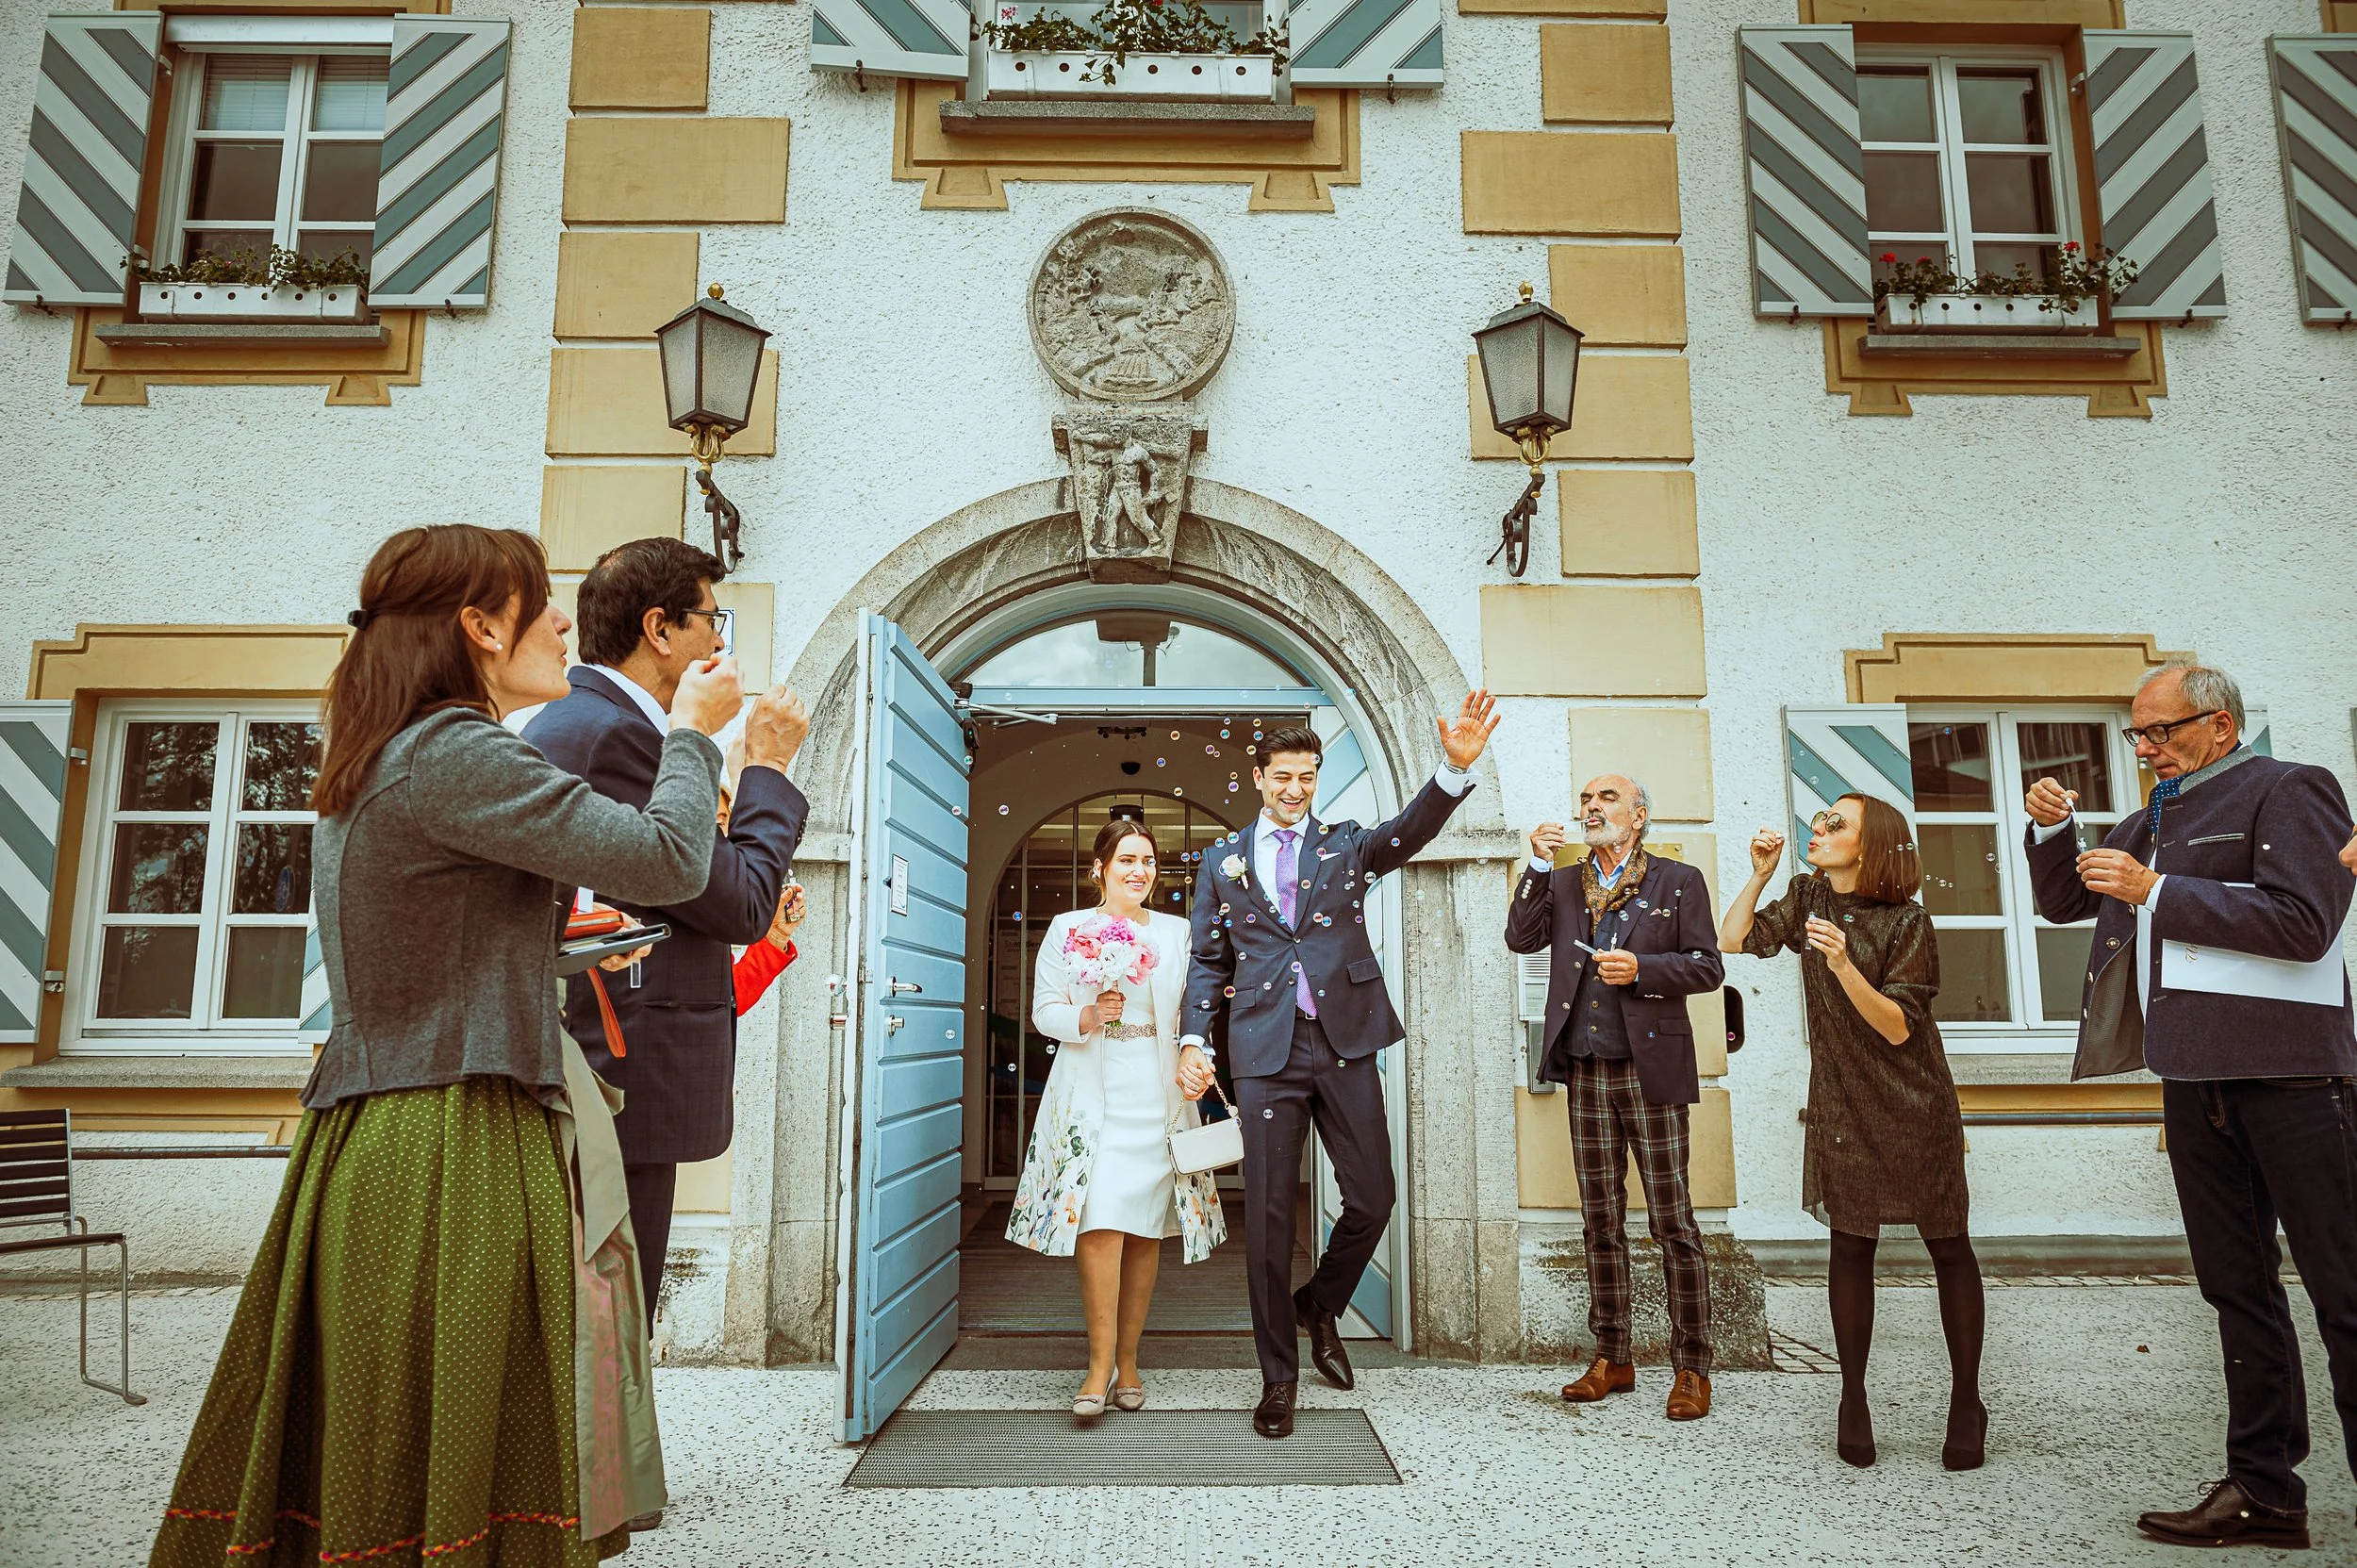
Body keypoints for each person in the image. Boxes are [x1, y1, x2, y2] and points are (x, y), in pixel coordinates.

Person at [152, 524, 744, 1565]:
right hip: (451, 1132)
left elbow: (439, 934)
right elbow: (663, 856)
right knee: (454, 1425)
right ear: (478, 626)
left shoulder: (399, 747)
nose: (565, 620)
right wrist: (694, 733)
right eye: (541, 603)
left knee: (400, 1426)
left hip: (388, 1125)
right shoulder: (454, 750)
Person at [2023, 660, 2357, 1551]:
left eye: (2162, 731)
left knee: (2344, 1292)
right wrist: (2051, 829)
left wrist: (2158, 890)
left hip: (2294, 1080)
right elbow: (2064, 901)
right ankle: (2265, 1490)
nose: (2146, 748)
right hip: (2193, 1078)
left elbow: (2306, 922)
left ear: (2220, 724)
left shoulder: (2290, 788)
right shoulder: (2152, 816)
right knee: (2237, 1290)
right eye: (2137, 733)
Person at [1178, 694, 1502, 1440]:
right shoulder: (1222, 861)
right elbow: (1206, 959)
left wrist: (1452, 771)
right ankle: (1278, 1377)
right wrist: (1196, 1039)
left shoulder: (1346, 843)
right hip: (1264, 1049)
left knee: (1375, 1195)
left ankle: (1318, 1302)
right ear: (1258, 776)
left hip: (1344, 1039)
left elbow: (1406, 835)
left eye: (1309, 775)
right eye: (1284, 775)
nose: (1296, 788)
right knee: (1265, 1219)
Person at [521, 537, 809, 1358]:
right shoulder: (614, 739)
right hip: (618, 1068)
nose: (721, 640)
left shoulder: (597, 726)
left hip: (618, 1066)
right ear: (660, 629)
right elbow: (740, 900)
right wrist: (768, 765)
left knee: (607, 1303)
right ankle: (600, 1482)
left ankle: (598, 1476)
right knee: (609, 1312)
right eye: (712, 619)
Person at [1719, 795, 1984, 1470]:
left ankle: (1965, 1400)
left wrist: (1842, 966)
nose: (1821, 828)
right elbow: (1731, 939)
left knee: (1947, 1243)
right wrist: (1759, 874)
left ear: (1872, 846)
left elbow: (1898, 1026)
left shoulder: (1910, 922)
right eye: (1822, 817)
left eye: (1839, 824)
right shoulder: (1809, 895)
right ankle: (1853, 1397)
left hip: (1914, 1104)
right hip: (1842, 1102)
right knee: (1850, 1243)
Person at [1506, 775, 1723, 1423]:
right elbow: (1522, 937)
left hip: (1650, 1068)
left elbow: (1709, 965)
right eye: (1586, 800)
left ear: (1638, 815)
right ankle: (1613, 1356)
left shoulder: (1678, 880)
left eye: (1606, 799)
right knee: (1600, 1220)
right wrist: (1538, 865)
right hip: (1588, 1067)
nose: (1591, 809)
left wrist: (1644, 970)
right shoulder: (1567, 879)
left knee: (1673, 1222)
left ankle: (1692, 1366)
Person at [1007, 818, 1228, 1418]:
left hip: (1157, 1095)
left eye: (1149, 861)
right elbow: (1042, 1011)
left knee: (1145, 1231)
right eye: (1126, 860)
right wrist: (1086, 1015)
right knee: (1100, 1222)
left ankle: (1130, 1359)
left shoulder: (1178, 933)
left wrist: (1196, 1054)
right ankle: (1098, 1363)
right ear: (1099, 869)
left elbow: (1195, 1009)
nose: (1139, 871)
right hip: (1090, 1093)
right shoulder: (1068, 929)